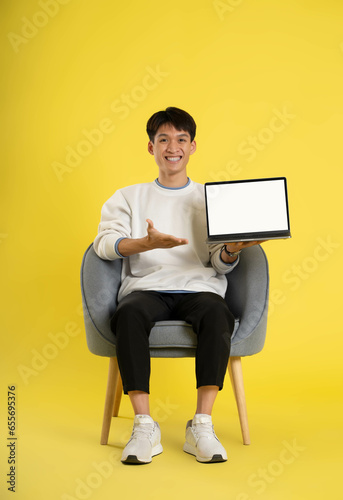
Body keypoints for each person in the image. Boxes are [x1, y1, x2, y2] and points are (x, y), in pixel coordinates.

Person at [94, 107, 263, 465]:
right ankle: (144, 425)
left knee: (219, 315)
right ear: (151, 147)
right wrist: (146, 244)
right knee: (128, 315)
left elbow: (218, 264)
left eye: (181, 139)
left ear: (193, 146)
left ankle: (201, 424)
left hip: (199, 289)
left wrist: (231, 249)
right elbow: (105, 245)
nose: (173, 147)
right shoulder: (127, 196)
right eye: (164, 139)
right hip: (145, 289)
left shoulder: (210, 199)